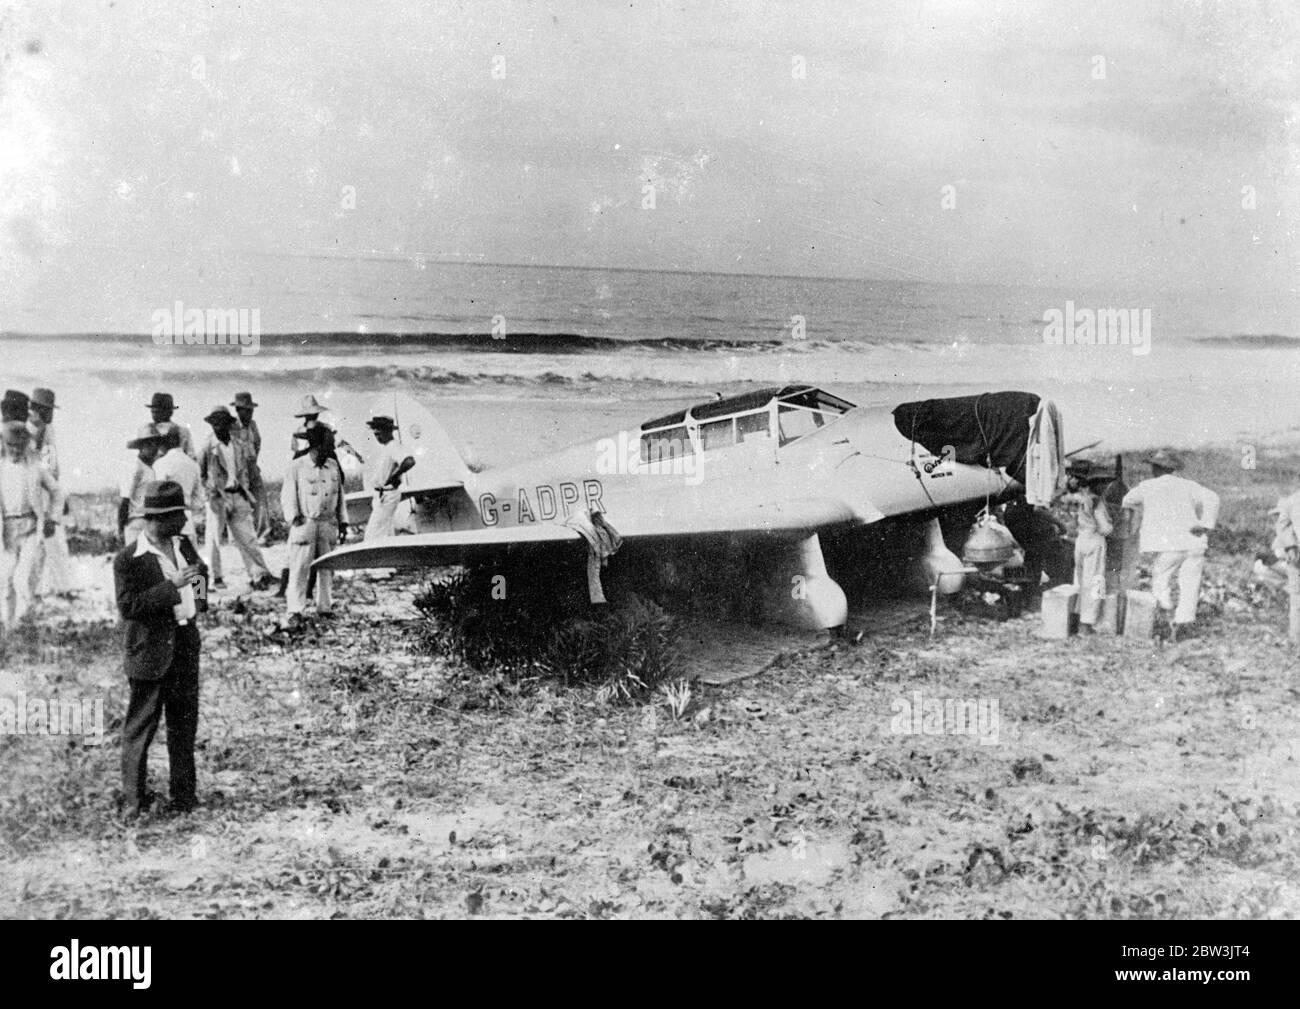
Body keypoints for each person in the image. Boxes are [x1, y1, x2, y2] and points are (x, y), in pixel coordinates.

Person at [113, 480, 207, 820]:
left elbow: (200, 575)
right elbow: (129, 606)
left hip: (184, 646)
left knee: (183, 727)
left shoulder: (183, 545)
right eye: (177, 516)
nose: (183, 521)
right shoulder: (128, 559)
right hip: (150, 654)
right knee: (140, 730)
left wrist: (198, 595)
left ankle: (184, 798)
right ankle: (133, 804)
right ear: (156, 519)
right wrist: (172, 588)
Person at [1121, 450, 1220, 642]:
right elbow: (1213, 498)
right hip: (1194, 540)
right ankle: (1184, 623)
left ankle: (1166, 619)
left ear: (1156, 468)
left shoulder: (1147, 486)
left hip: (1170, 543)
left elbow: (1127, 500)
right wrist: (1207, 524)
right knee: (1190, 582)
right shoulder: (1189, 486)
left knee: (1161, 578)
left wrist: (1144, 511)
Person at [198, 405, 275, 590]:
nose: (218, 426)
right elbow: (200, 474)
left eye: (222, 422)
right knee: (214, 539)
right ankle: (214, 578)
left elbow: (244, 472)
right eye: (215, 423)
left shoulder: (237, 445)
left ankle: (258, 575)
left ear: (228, 424)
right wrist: (209, 493)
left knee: (248, 537)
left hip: (238, 494)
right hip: (218, 497)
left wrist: (244, 491)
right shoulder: (208, 446)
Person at [281, 425, 348, 627]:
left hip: (327, 523)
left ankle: (325, 608)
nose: (333, 446)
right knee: (299, 567)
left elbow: (340, 495)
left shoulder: (333, 466)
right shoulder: (297, 466)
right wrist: (294, 517)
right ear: (317, 444)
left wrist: (343, 521)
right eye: (329, 442)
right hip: (306, 523)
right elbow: (287, 495)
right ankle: (295, 610)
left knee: (327, 567)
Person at [1, 421, 65, 630]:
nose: (15, 450)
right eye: (11, 445)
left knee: (24, 577)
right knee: (7, 578)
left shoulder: (35, 467)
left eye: (20, 445)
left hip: (30, 527)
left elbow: (56, 492)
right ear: (4, 443)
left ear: (26, 444)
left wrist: (52, 517)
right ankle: (9, 626)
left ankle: (25, 622)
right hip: (6, 530)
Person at [27, 387, 75, 597]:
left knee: (41, 543)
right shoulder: (38, 429)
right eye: (48, 409)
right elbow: (48, 467)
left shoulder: (41, 428)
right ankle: (62, 589)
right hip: (41, 491)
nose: (51, 414)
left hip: (44, 490)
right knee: (53, 541)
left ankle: (33, 590)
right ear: (39, 409)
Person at [1059, 462, 1114, 634]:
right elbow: (1105, 528)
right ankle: (1087, 623)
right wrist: (1112, 525)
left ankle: (1075, 616)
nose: (1105, 486)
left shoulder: (1081, 498)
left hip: (1081, 540)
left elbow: (1075, 523)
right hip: (1095, 541)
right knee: (1096, 581)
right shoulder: (1097, 501)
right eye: (1103, 483)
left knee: (1080, 580)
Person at [152, 422, 204, 548]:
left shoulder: (160, 464)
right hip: (187, 522)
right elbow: (198, 501)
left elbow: (156, 497)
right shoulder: (193, 465)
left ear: (168, 441)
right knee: (191, 563)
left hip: (166, 524)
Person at [363, 415, 414, 540]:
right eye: (375, 435)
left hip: (387, 494)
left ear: (387, 431)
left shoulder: (393, 446)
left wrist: (396, 475)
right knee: (385, 531)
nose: (378, 438)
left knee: (373, 534)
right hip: (381, 495)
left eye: (379, 434)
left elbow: (409, 461)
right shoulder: (387, 448)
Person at [230, 392, 269, 543]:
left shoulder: (253, 425)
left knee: (260, 499)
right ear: (239, 410)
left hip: (252, 466)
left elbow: (258, 442)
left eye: (251, 410)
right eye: (247, 410)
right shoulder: (232, 427)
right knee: (238, 502)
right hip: (238, 469)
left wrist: (252, 459)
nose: (250, 413)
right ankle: (237, 538)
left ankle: (262, 534)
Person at [119, 424, 164, 545]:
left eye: (156, 443)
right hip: (136, 523)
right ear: (141, 446)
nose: (154, 448)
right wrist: (121, 530)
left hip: (150, 524)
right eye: (149, 444)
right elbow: (125, 500)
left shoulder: (150, 469)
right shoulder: (135, 467)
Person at [1273, 489, 1300, 643]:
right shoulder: (1293, 500)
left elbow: (1283, 526)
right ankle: (1296, 638)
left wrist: (1290, 545)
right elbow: (1282, 526)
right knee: (1296, 597)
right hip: (1297, 555)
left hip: (1296, 553)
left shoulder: (1292, 500)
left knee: (1296, 598)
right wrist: (1290, 546)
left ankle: (1295, 638)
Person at [146, 392, 196, 459]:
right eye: (153, 411)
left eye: (158, 411)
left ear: (169, 412)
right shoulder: (147, 430)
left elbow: (190, 456)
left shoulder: (182, 431)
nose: (154, 415)